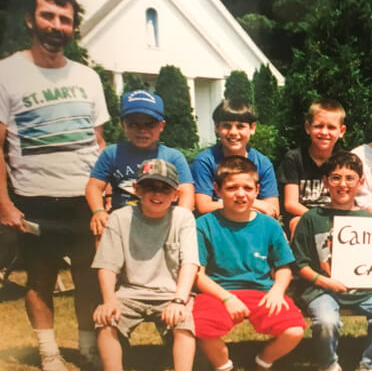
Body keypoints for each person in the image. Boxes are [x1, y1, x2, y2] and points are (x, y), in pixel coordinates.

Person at [0, 0, 108, 368]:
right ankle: (49, 353)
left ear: (73, 28)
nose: (55, 26)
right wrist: (5, 203)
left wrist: (104, 189)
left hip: (84, 198)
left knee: (88, 278)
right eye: (48, 16)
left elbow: (97, 140)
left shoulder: (88, 77)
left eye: (64, 19)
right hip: (34, 198)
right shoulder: (6, 72)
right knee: (40, 279)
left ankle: (87, 347)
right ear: (31, 20)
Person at [290, 151, 372, 371]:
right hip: (321, 289)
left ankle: (369, 364)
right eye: (336, 178)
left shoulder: (369, 220)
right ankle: (328, 363)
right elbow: (299, 264)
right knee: (326, 322)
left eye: (350, 178)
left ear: (360, 182)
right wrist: (325, 282)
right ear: (325, 182)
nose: (343, 184)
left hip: (363, 290)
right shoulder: (311, 219)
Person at [193, 156, 305, 371]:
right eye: (232, 187)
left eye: (247, 187)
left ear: (257, 190)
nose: (240, 193)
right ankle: (225, 366)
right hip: (218, 292)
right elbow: (198, 274)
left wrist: (277, 291)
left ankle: (261, 363)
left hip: (261, 292)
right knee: (200, 327)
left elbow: (283, 267)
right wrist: (227, 298)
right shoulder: (203, 225)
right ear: (217, 189)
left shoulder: (269, 225)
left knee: (294, 330)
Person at [91, 159, 199, 371]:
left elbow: (190, 263)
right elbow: (107, 264)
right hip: (130, 292)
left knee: (184, 322)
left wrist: (179, 300)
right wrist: (109, 299)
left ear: (176, 194)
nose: (157, 194)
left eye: (164, 189)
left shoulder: (183, 218)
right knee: (105, 321)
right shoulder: (119, 218)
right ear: (137, 189)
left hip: (170, 293)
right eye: (150, 187)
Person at [86, 89, 194, 236]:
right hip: (122, 221)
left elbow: (186, 192)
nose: (142, 130)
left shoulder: (173, 156)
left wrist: (180, 221)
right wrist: (99, 211)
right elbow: (94, 186)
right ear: (123, 124)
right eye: (134, 124)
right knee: (102, 230)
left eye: (150, 125)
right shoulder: (112, 153)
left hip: (162, 221)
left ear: (161, 126)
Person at [191, 100, 279, 217]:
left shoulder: (262, 163)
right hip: (218, 225)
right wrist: (253, 203)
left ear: (252, 128)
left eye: (240, 126)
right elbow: (203, 206)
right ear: (217, 127)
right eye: (226, 126)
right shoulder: (205, 161)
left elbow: (273, 209)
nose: (233, 132)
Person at [278, 99, 346, 237]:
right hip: (302, 216)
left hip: (335, 218)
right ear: (308, 128)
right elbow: (290, 203)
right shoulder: (294, 158)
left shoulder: (343, 160)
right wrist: (318, 220)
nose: (324, 132)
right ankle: (300, 259)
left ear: (342, 131)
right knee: (298, 223)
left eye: (331, 127)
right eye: (318, 126)